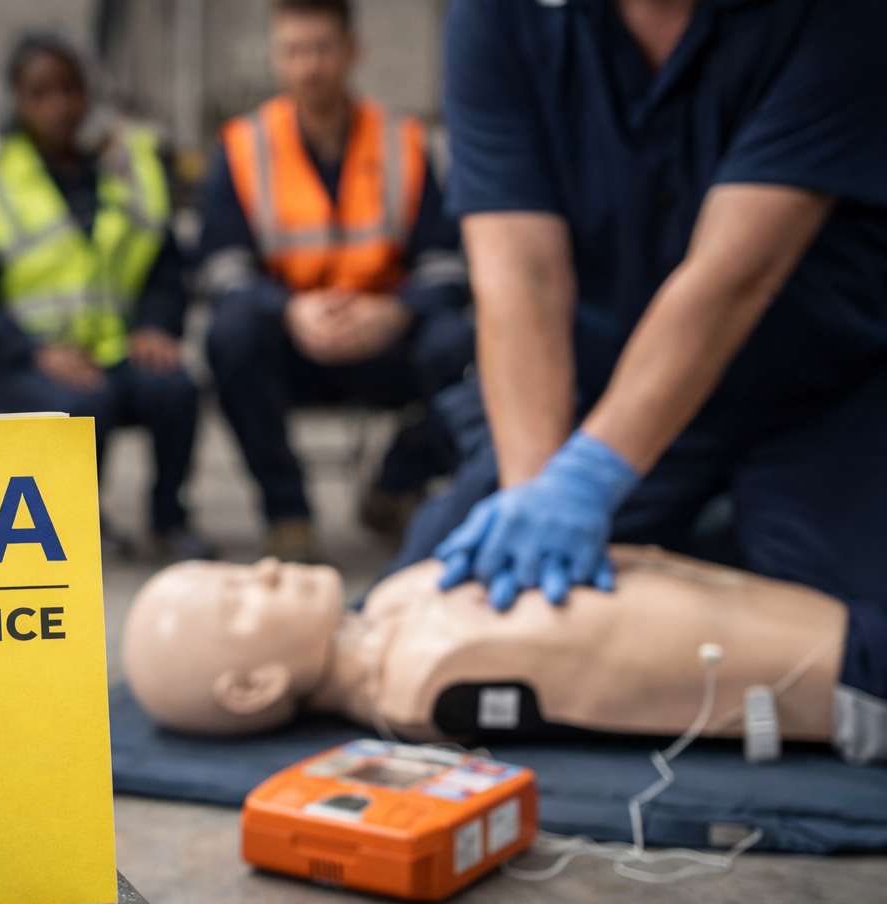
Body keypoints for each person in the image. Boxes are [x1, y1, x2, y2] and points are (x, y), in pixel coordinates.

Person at [394, 0, 887, 722]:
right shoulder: (502, 16)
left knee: (858, 640)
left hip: (821, 390)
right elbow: (520, 275)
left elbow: (736, 273)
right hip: (603, 390)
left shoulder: (842, 16)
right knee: (428, 599)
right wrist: (536, 491)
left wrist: (588, 482)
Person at [120, 550, 886, 765]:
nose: (264, 569)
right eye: (237, 598)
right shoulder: (423, 687)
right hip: (852, 678)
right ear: (253, 685)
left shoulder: (398, 600)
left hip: (818, 608)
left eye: (233, 565)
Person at [195, 0, 474, 562]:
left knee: (463, 344)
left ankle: (395, 483)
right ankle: (287, 514)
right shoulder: (243, 146)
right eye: (294, 52)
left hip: (385, 341)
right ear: (276, 58)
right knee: (228, 336)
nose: (309, 67)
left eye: (321, 49)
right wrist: (289, 311)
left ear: (352, 51)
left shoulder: (404, 142)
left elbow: (447, 265)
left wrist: (395, 311)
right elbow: (220, 266)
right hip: (290, 345)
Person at [0, 33, 210, 561]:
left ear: (89, 94)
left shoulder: (129, 166)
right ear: (14, 103)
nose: (57, 106)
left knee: (175, 388)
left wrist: (157, 326)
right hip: (13, 357)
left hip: (111, 348)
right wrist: (36, 352)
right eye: (39, 93)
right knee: (84, 404)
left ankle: (169, 520)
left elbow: (166, 267)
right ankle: (79, 523)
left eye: (68, 89)